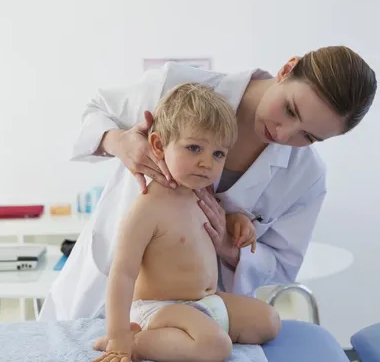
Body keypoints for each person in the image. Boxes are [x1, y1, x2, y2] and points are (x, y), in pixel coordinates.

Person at [38, 46, 376, 321]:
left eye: (309, 136)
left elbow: (283, 266)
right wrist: (119, 142)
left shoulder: (305, 176)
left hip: (193, 314)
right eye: (289, 109)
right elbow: (97, 111)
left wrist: (230, 246)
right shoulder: (176, 85)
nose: (284, 134)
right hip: (103, 286)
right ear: (287, 69)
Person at [89, 83, 276, 362]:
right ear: (159, 146)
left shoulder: (200, 194)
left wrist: (238, 222)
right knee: (216, 347)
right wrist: (119, 335)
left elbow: (205, 228)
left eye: (218, 154)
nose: (206, 163)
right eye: (194, 148)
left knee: (268, 321)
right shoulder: (147, 208)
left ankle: (190, 335)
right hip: (159, 310)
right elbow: (122, 273)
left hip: (205, 302)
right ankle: (139, 342)